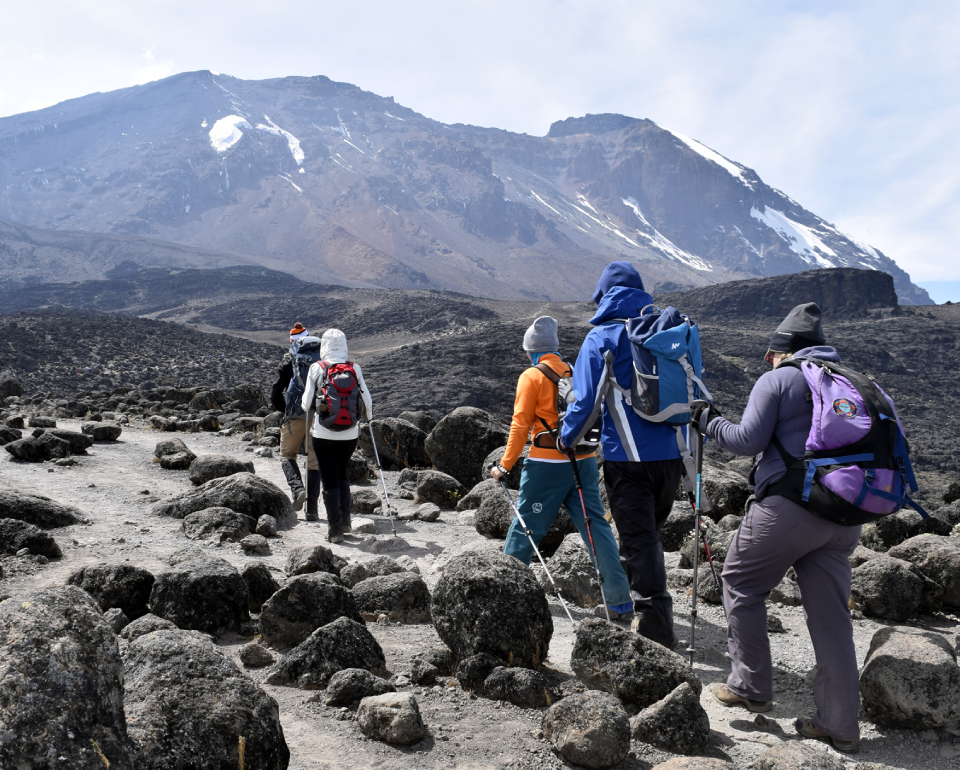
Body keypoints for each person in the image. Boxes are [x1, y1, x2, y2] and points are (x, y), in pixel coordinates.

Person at [691, 302, 861, 753]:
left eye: (771, 353)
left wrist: (707, 420)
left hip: (791, 509)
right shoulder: (851, 381)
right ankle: (841, 725)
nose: (768, 360)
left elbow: (746, 441)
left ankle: (749, 686)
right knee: (831, 619)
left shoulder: (780, 378)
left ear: (784, 350)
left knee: (741, 581)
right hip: (846, 516)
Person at [559, 261, 684, 648]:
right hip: (673, 457)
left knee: (638, 542)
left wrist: (566, 438)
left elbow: (584, 403)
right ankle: (648, 616)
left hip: (629, 460)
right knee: (648, 538)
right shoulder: (666, 332)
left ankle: (655, 636)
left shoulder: (602, 337)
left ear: (604, 297)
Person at [490, 316, 634, 619]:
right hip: (584, 461)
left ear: (531, 350)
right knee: (596, 528)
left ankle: (503, 594)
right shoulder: (575, 371)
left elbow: (520, 425)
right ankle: (620, 601)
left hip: (546, 465)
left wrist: (504, 466)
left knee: (526, 525)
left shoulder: (531, 376)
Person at [301, 328, 372, 543]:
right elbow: (367, 401)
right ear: (344, 345)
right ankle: (346, 522)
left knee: (328, 479)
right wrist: (368, 418)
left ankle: (335, 530)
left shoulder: (317, 367)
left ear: (324, 346)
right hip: (349, 435)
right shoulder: (354, 368)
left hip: (323, 434)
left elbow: (306, 403)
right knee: (342, 474)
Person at [270, 322, 321, 520]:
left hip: (295, 415)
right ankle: (312, 510)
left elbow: (275, 394)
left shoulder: (288, 361)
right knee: (314, 462)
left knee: (287, 455)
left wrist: (286, 411)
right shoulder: (321, 360)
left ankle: (298, 489)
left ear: (292, 342)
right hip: (319, 417)